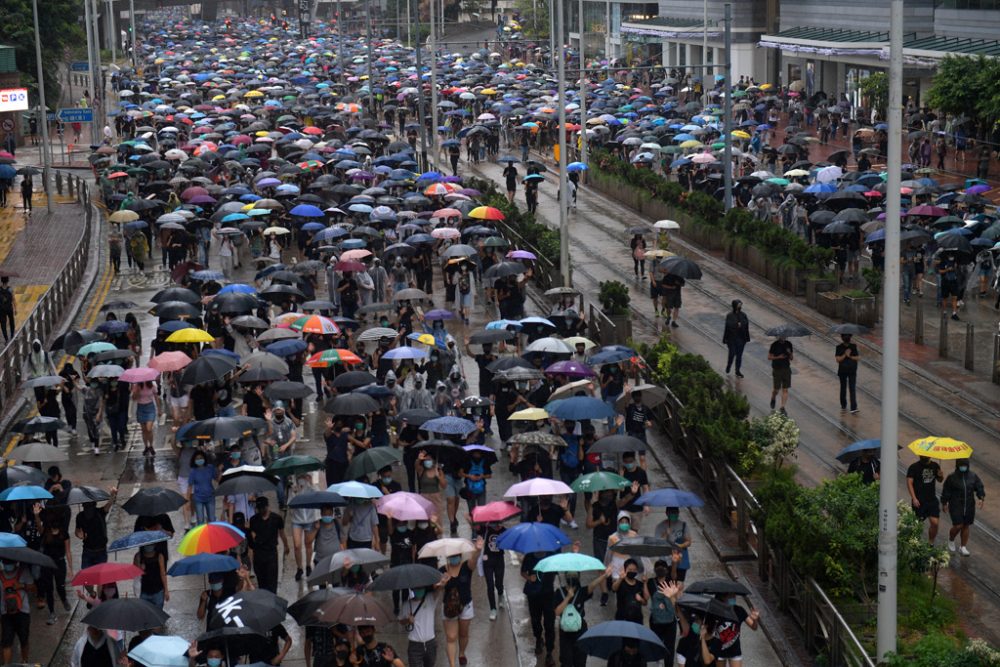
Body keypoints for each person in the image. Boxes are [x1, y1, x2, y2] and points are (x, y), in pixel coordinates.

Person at [553, 565, 613, 667]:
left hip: (580, 631)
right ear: (565, 576)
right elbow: (557, 612)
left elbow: (593, 584)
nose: (572, 576)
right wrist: (568, 598)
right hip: (565, 632)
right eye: (569, 574)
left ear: (579, 576)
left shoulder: (582, 591)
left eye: (575, 574)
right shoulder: (559, 592)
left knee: (580, 661)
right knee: (566, 661)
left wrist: (604, 576)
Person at [440, 536, 483, 667]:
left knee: (463, 634)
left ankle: (462, 653)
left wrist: (477, 550)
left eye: (456, 555)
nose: (454, 558)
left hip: (466, 605)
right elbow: (436, 589)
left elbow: (474, 560)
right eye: (451, 556)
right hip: (449, 608)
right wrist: (442, 583)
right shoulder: (442, 570)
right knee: (451, 637)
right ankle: (452, 664)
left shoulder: (466, 567)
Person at [941, 458, 985, 556]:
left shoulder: (973, 476)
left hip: (969, 505)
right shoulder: (951, 477)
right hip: (956, 504)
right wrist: (944, 503)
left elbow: (979, 486)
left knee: (966, 525)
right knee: (958, 525)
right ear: (957, 465)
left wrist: (981, 497)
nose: (963, 467)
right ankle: (951, 539)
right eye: (961, 465)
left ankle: (963, 547)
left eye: (965, 465)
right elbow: (946, 491)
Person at [37, 503, 72, 625]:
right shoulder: (45, 532)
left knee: (60, 586)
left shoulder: (64, 533)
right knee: (49, 589)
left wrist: (71, 570)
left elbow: (68, 551)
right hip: (47, 563)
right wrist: (36, 516)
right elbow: (39, 527)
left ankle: (64, 599)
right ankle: (52, 613)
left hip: (60, 562)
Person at [521, 549, 557, 667]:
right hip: (533, 595)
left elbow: (557, 570)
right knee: (535, 620)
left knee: (549, 624)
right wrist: (529, 577)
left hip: (548, 595)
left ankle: (549, 652)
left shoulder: (552, 555)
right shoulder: (529, 556)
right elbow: (522, 572)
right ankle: (538, 639)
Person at [248, 496, 289, 592]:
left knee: (272, 583)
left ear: (267, 506)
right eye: (259, 508)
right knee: (262, 583)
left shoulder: (277, 518)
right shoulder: (253, 519)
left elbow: (282, 533)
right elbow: (252, 537)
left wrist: (286, 545)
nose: (261, 510)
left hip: (271, 554)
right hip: (259, 554)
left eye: (263, 508)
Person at [0, 559, 32, 664]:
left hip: (15, 612)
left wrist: (21, 586)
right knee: (10, 641)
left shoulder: (24, 571)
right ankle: (23, 662)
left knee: (12, 641)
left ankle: (23, 661)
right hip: (14, 612)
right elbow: (34, 588)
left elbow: (33, 587)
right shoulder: (23, 571)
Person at [714, 593, 760, 667]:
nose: (733, 598)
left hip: (735, 651)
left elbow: (754, 627)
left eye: (734, 595)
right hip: (719, 651)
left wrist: (755, 620)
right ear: (723, 597)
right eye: (730, 596)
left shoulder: (739, 610)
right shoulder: (716, 611)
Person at [75, 488, 117, 569]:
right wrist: (79, 534)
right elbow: (77, 530)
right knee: (86, 577)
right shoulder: (80, 516)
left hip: (100, 551)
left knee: (99, 576)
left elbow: (109, 504)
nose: (88, 510)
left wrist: (112, 495)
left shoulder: (100, 513)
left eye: (90, 507)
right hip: (88, 550)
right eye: (86, 507)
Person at [400, 586, 439, 667]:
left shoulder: (430, 598)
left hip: (430, 644)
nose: (419, 590)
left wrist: (443, 582)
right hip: (414, 646)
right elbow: (401, 620)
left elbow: (439, 588)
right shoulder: (406, 604)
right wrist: (407, 620)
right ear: (412, 589)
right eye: (417, 588)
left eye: (421, 588)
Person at [907, 456, 943, 543]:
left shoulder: (935, 465)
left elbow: (940, 480)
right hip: (919, 501)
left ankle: (931, 543)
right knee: (916, 525)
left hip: (932, 500)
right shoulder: (913, 467)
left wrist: (940, 476)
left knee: (935, 523)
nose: (925, 457)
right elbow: (909, 483)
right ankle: (913, 542)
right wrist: (914, 498)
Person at [654, 508, 692, 581]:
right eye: (671, 512)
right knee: (666, 583)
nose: (674, 514)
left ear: (678, 513)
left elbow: (689, 541)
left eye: (675, 512)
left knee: (679, 583)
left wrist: (679, 546)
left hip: (680, 560)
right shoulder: (660, 526)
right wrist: (665, 534)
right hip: (666, 561)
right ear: (667, 513)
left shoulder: (683, 525)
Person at [133, 544, 169, 608]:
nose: (149, 546)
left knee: (158, 615)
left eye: (151, 544)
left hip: (158, 591)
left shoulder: (159, 556)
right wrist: (140, 569)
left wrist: (166, 590)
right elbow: (134, 574)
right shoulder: (138, 556)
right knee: (145, 615)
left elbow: (163, 574)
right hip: (144, 591)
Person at [723, 299, 749, 377]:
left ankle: (737, 370)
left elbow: (746, 324)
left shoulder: (743, 315)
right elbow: (728, 326)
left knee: (739, 356)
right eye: (738, 306)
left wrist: (742, 326)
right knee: (732, 354)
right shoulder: (730, 315)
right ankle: (729, 365)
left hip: (741, 338)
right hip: (732, 339)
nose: (739, 307)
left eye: (740, 306)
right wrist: (736, 325)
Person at [767, 335, 793, 413]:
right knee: (776, 389)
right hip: (777, 369)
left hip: (786, 369)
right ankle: (773, 397)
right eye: (782, 336)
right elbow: (769, 357)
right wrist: (778, 357)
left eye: (784, 336)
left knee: (785, 389)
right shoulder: (774, 345)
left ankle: (782, 407)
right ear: (778, 337)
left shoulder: (789, 344)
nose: (783, 337)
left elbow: (791, 358)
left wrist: (789, 353)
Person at [835, 333, 860, 413]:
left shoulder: (853, 346)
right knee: (843, 388)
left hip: (852, 370)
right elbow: (838, 359)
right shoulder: (839, 347)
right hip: (843, 371)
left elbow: (857, 358)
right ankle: (843, 404)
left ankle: (853, 407)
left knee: (852, 388)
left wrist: (850, 356)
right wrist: (845, 355)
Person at [0, 276, 15, 342]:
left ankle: (6, 339)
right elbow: (14, 299)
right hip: (9, 308)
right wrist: (16, 308)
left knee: (3, 324)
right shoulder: (10, 289)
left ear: (1, 281)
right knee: (11, 321)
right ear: (7, 281)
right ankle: (12, 335)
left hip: (1, 310)